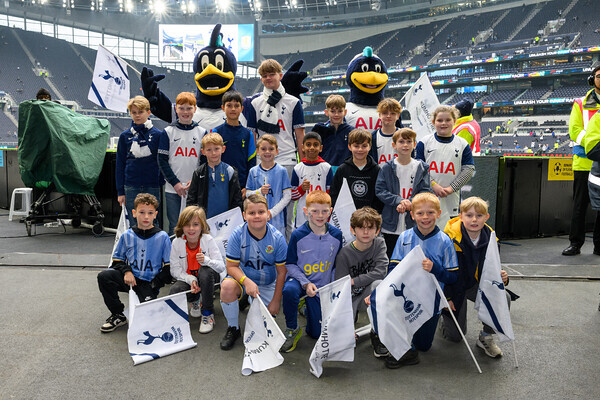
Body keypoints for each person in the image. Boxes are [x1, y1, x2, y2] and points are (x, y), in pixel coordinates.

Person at [377, 192, 458, 368]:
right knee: (394, 313)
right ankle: (403, 349)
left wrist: (435, 269)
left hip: (431, 300)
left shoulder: (445, 241)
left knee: (424, 346)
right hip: (405, 296)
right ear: (412, 215)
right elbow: (392, 269)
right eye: (420, 213)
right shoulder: (405, 237)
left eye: (430, 213)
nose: (425, 217)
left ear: (438, 213)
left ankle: (418, 336)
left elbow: (452, 276)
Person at [440, 197, 511, 358]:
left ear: (486, 217)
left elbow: (492, 269)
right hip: (454, 287)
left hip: (476, 285)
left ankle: (486, 337)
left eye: (479, 216)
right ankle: (441, 318)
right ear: (460, 216)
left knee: (503, 297)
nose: (474, 219)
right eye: (469, 215)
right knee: (455, 337)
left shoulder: (492, 239)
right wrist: (446, 297)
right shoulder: (448, 238)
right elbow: (443, 272)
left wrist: (503, 278)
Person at [218, 194, 288, 350]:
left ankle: (247, 300)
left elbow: (282, 272)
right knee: (227, 286)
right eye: (251, 213)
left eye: (261, 212)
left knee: (262, 334)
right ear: (244, 215)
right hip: (244, 282)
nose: (257, 216)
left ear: (268, 214)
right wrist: (246, 281)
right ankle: (233, 328)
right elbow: (231, 267)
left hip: (267, 283)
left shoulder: (277, 238)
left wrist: (276, 300)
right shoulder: (237, 234)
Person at [97, 193, 171, 333]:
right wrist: (127, 271)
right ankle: (118, 314)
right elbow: (117, 260)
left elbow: (168, 268)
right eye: (142, 212)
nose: (146, 217)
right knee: (104, 277)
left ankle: (147, 302)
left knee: (148, 325)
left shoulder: (162, 237)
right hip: (130, 281)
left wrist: (154, 284)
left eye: (150, 213)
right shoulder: (127, 235)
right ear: (134, 213)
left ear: (155, 214)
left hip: (148, 283)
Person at [280, 190, 343, 352]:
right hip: (301, 283)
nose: (320, 215)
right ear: (306, 211)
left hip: (322, 288)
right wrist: (305, 283)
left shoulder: (337, 235)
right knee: (288, 291)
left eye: (324, 211)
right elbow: (290, 264)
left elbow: (337, 265)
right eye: (314, 211)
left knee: (315, 333)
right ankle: (292, 328)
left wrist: (332, 288)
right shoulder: (297, 235)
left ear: (330, 211)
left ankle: (306, 307)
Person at [334, 207, 388, 357]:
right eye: (361, 228)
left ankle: (377, 334)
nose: (366, 232)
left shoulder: (379, 244)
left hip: (369, 294)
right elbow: (341, 285)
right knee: (343, 343)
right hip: (349, 298)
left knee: (379, 286)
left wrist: (354, 281)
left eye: (370, 228)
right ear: (352, 230)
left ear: (377, 231)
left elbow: (381, 272)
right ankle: (350, 320)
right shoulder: (345, 253)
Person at [376, 128, 432, 259]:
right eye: (401, 141)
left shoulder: (422, 167)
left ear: (414, 144)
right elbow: (380, 190)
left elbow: (426, 191)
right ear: (394, 145)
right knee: (391, 259)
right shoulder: (387, 167)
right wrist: (398, 200)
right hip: (390, 224)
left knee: (412, 260)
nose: (405, 145)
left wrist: (410, 203)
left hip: (413, 223)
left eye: (409, 141)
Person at [416, 105, 475, 229]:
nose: (444, 123)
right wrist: (433, 185)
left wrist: (451, 188)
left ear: (454, 121)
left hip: (451, 198)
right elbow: (419, 168)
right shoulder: (424, 142)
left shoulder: (462, 144)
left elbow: (468, 169)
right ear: (433, 122)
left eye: (448, 120)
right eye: (440, 120)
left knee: (449, 233)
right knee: (427, 228)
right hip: (428, 196)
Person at [563, 61, 600, 256]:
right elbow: (575, 131)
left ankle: (599, 245)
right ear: (592, 79)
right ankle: (575, 243)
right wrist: (595, 145)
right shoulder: (580, 103)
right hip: (585, 163)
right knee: (579, 205)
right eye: (599, 76)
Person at [244, 58, 305, 176]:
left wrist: (302, 163)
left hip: (287, 159)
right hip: (262, 161)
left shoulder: (293, 102)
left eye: (272, 74)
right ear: (261, 79)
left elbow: (300, 135)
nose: (268, 78)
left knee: (287, 194)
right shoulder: (255, 103)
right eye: (265, 75)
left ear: (281, 75)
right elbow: (253, 136)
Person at [169, 206, 224, 334]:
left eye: (195, 224)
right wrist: (191, 279)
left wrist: (206, 261)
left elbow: (221, 266)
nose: (191, 229)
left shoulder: (208, 240)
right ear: (181, 226)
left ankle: (208, 313)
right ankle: (194, 300)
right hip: (190, 280)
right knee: (175, 289)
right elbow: (174, 270)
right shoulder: (177, 242)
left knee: (204, 271)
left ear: (202, 225)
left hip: (209, 279)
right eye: (187, 225)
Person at [158, 92, 206, 235]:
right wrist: (175, 183)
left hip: (194, 188)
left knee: (195, 225)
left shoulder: (202, 132)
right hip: (173, 189)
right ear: (176, 109)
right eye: (182, 108)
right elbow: (162, 161)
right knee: (175, 226)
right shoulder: (167, 132)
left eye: (189, 108)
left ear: (195, 109)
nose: (185, 112)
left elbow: (204, 162)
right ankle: (174, 257)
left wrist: (195, 181)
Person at [116, 96, 164, 227]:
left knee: (153, 222)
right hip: (131, 186)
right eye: (134, 112)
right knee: (134, 223)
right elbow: (120, 164)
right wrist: (120, 192)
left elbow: (161, 162)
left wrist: (159, 183)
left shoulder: (158, 135)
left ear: (148, 112)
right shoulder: (125, 136)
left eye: (141, 112)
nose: (137, 116)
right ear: (130, 113)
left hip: (152, 185)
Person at [186, 132, 243, 218]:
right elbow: (191, 199)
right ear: (203, 151)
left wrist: (235, 218)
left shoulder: (230, 171)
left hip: (226, 221)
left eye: (216, 149)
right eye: (209, 150)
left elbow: (237, 199)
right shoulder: (198, 172)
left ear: (223, 149)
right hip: (204, 220)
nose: (213, 153)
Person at [245, 135, 292, 237]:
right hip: (257, 220)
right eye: (263, 149)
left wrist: (272, 212)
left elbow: (287, 196)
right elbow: (248, 194)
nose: (267, 152)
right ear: (257, 151)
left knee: (277, 247)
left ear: (277, 151)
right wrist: (259, 191)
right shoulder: (253, 171)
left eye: (271, 149)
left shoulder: (282, 171)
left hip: (277, 220)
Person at [330, 128, 383, 213]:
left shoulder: (376, 170)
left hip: (369, 218)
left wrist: (372, 214)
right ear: (349, 147)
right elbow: (334, 194)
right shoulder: (342, 170)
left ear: (370, 147)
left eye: (364, 146)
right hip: (346, 217)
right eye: (356, 146)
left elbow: (379, 197)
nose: (360, 150)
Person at [212, 90, 257, 190]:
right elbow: (211, 159)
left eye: (236, 106)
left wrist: (247, 186)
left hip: (241, 185)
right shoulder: (216, 131)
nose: (233, 109)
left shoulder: (248, 134)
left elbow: (252, 162)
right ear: (223, 108)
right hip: (220, 183)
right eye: (229, 105)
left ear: (241, 108)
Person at [290, 132, 333, 229]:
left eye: (315, 145)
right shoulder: (298, 168)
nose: (312, 148)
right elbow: (292, 196)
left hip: (321, 216)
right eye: (308, 144)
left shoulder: (326, 168)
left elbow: (330, 194)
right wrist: (301, 189)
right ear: (303, 147)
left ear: (321, 148)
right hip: (302, 218)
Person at [312, 94, 353, 168]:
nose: (336, 114)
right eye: (333, 111)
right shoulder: (319, 130)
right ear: (326, 112)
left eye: (340, 111)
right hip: (323, 171)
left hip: (345, 172)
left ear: (345, 112)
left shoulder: (352, 132)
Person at [370, 98, 402, 165]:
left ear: (398, 116)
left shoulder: (404, 136)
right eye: (385, 113)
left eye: (393, 113)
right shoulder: (373, 137)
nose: (388, 116)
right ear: (379, 115)